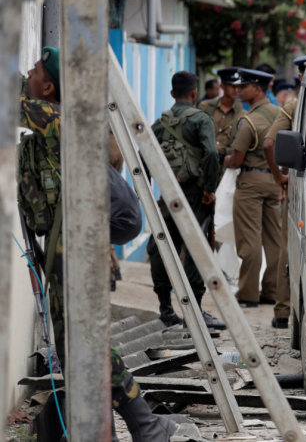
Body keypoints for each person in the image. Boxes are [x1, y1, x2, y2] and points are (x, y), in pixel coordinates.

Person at [19, 46, 177, 440]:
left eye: (35, 70)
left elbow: (12, 100)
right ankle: (125, 425)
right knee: (76, 346)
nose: (28, 72)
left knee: (84, 341)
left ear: (49, 86)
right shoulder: (55, 122)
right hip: (64, 246)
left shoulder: (55, 119)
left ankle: (144, 423)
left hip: (73, 248)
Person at [146, 71, 226, 330]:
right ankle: (197, 311)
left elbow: (143, 154)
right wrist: (209, 188)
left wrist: (150, 191)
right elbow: (212, 153)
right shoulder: (201, 119)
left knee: (161, 246)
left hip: (167, 194)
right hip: (194, 193)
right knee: (195, 247)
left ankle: (165, 308)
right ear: (194, 93)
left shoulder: (160, 123)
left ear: (172, 94)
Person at [225, 68, 284, 307]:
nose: (239, 90)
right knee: (275, 240)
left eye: (245, 86)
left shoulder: (249, 121)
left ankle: (248, 293)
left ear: (258, 88)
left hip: (250, 184)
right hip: (275, 180)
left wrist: (226, 160)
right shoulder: (280, 114)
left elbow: (237, 160)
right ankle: (271, 291)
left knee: (249, 240)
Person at [262, 55, 306, 329]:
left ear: (301, 77)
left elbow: (269, 143)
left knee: (287, 246)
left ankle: (282, 311)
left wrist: (280, 177)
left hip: (297, 185)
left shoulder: (293, 105)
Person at [199, 67, 245, 166]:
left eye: (238, 86)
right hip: (203, 164)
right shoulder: (205, 107)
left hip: (226, 167)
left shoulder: (242, 115)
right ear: (222, 86)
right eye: (232, 86)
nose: (236, 90)